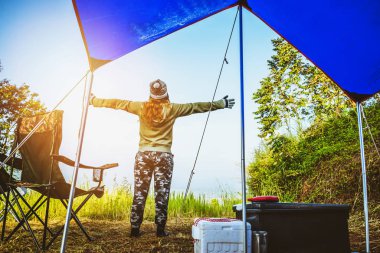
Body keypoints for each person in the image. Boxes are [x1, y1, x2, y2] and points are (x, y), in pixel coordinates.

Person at [89, 79, 235, 237]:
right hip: (164, 156)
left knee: (140, 192)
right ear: (166, 93)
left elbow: (117, 103)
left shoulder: (140, 107)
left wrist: (94, 100)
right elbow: (197, 106)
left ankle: (135, 229)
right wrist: (222, 103)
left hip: (143, 155)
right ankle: (160, 229)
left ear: (150, 94)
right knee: (162, 193)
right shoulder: (172, 108)